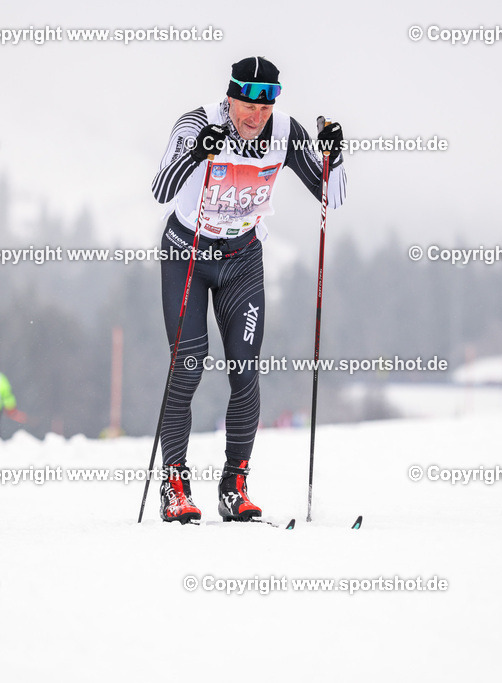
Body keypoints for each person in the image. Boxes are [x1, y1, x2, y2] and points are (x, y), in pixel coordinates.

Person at [151, 56, 347, 523]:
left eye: (266, 106)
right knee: (188, 365)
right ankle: (174, 483)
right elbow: (161, 189)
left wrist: (332, 159)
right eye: (246, 105)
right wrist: (197, 152)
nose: (255, 117)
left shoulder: (284, 131)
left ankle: (234, 483)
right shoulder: (197, 122)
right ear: (230, 96)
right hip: (188, 254)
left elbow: (330, 196)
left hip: (242, 258)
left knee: (245, 369)